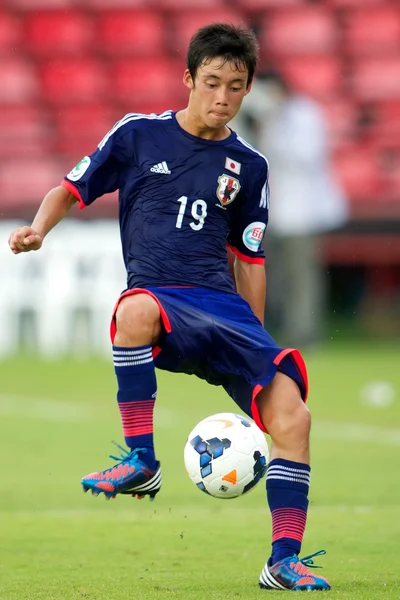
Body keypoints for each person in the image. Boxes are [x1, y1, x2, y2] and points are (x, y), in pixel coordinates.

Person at [8, 24, 330, 591]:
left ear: (249, 87)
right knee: (133, 311)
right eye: (211, 83)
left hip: (223, 309)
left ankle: (283, 560)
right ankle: (141, 460)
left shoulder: (249, 166)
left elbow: (249, 258)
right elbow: (71, 187)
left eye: (235, 86)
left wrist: (253, 343)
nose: (222, 98)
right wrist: (38, 228)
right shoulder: (138, 135)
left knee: (294, 418)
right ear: (188, 78)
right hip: (162, 297)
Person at [236, 69, 348, 347]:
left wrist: (271, 125)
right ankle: (275, 331)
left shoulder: (303, 115)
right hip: (267, 212)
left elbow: (306, 155)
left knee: (302, 277)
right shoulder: (255, 118)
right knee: (272, 276)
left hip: (302, 213)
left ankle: (305, 334)